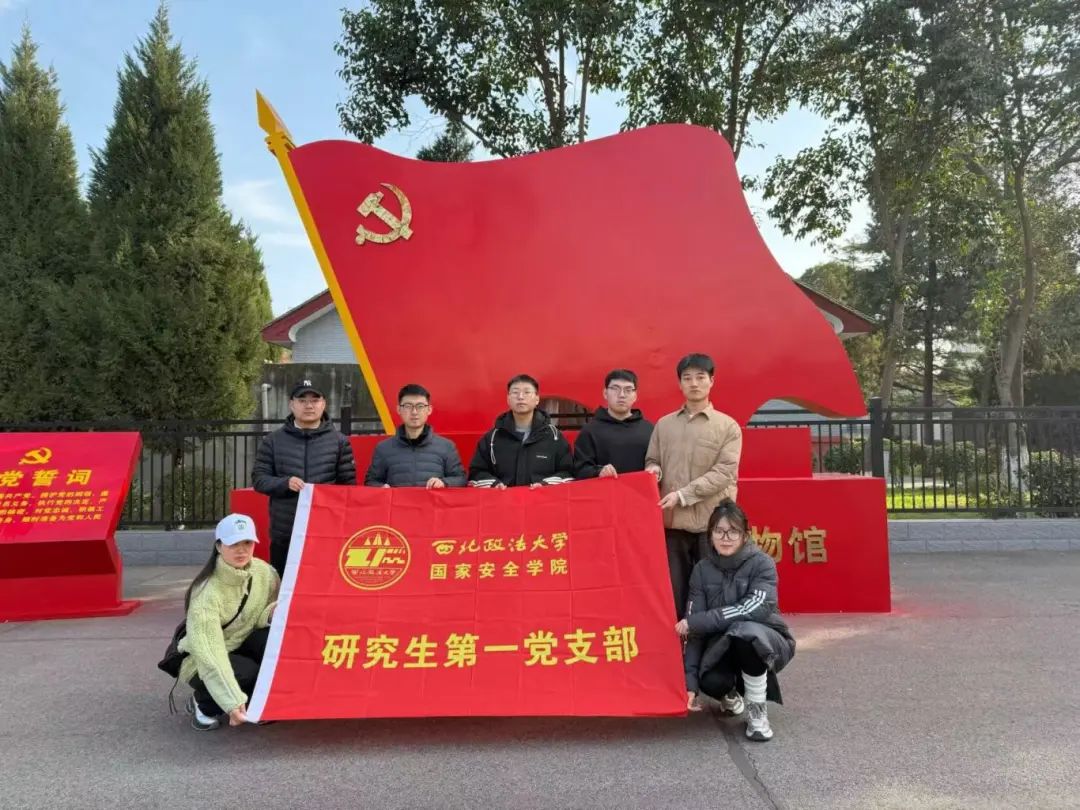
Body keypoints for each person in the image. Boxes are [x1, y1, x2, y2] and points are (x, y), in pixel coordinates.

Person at [676, 500, 795, 742]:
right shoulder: (701, 570)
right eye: (719, 531)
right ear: (710, 536)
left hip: (764, 640)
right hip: (721, 643)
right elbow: (695, 631)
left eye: (733, 531)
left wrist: (698, 621)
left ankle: (757, 712)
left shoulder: (762, 563)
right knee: (709, 679)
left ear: (744, 535)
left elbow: (753, 608)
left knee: (745, 632)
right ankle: (730, 694)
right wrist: (690, 684)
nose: (726, 538)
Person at [645, 353, 742, 619]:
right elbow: (652, 459)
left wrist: (683, 495)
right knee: (673, 593)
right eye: (687, 378)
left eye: (700, 377)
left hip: (711, 526)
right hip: (672, 525)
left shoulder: (727, 427)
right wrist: (654, 470)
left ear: (712, 381)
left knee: (714, 592)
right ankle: (678, 643)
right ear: (680, 384)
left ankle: (713, 643)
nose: (694, 383)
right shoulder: (664, 425)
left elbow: (724, 472)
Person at [179, 513, 280, 731]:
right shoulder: (206, 592)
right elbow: (209, 652)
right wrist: (232, 701)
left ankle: (252, 700)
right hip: (202, 657)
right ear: (219, 546)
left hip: (241, 642)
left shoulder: (264, 572)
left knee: (275, 645)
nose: (241, 550)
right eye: (233, 544)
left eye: (247, 543)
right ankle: (204, 704)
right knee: (247, 672)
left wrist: (271, 614)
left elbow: (263, 611)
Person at [252, 379, 357, 576]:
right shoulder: (273, 441)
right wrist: (284, 483)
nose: (309, 405)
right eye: (302, 400)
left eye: (314, 400)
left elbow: (348, 488)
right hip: (285, 533)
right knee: (284, 586)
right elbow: (259, 479)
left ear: (324, 404)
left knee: (321, 585)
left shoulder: (339, 442)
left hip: (326, 533)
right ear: (292, 404)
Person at [468, 374, 573, 488]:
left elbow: (568, 473)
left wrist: (545, 485)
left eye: (527, 392)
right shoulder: (492, 439)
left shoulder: (554, 437)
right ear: (508, 399)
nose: (521, 397)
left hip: (542, 498)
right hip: (503, 499)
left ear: (537, 399)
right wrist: (495, 485)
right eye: (515, 392)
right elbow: (476, 473)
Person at [364, 384, 467, 488]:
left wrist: (444, 483)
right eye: (408, 406)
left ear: (429, 410)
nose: (414, 412)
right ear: (399, 409)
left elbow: (461, 479)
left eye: (420, 406)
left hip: (431, 499)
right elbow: (371, 481)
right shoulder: (383, 448)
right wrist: (381, 487)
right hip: (398, 499)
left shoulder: (446, 447)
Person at [572, 369, 653, 479]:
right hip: (605, 489)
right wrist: (599, 471)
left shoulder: (649, 430)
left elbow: (658, 464)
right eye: (615, 389)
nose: (622, 395)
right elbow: (579, 470)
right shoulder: (590, 431)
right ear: (605, 393)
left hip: (640, 489)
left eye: (628, 390)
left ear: (635, 396)